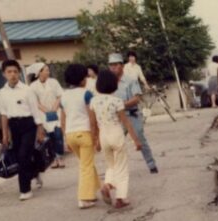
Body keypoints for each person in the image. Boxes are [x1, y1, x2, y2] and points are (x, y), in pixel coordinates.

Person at [90, 69, 142, 209]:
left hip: (104, 136)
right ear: (114, 84)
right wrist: (136, 140)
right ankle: (121, 198)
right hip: (116, 134)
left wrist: (96, 141)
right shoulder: (117, 101)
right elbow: (126, 122)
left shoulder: (93, 101)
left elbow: (93, 124)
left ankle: (107, 184)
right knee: (122, 167)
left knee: (111, 165)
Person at [0, 59, 46, 201]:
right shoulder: (2, 92)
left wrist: (40, 129)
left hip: (28, 124)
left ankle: (25, 190)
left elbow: (35, 110)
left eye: (15, 71)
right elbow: (4, 114)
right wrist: (5, 135)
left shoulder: (27, 90)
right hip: (14, 125)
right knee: (20, 156)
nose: (12, 75)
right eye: (9, 72)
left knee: (23, 156)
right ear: (4, 74)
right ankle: (35, 171)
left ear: (19, 73)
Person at [108, 53, 158, 174]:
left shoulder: (131, 80)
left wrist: (121, 105)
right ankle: (115, 169)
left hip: (132, 114)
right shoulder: (109, 82)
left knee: (140, 138)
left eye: (115, 65)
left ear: (121, 65)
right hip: (117, 117)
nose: (113, 68)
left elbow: (137, 98)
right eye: (111, 65)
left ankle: (151, 164)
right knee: (115, 142)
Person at [60, 64, 100, 209]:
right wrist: (96, 137)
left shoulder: (63, 96)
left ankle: (95, 189)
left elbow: (62, 120)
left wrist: (65, 139)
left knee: (86, 163)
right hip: (84, 133)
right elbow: (92, 118)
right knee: (86, 166)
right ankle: (84, 198)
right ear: (82, 79)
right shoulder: (87, 94)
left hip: (70, 134)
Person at [30, 63, 66, 168]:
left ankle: (60, 157)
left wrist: (54, 109)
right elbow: (35, 102)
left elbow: (60, 96)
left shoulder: (53, 82)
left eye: (48, 70)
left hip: (56, 111)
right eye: (45, 70)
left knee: (58, 135)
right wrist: (46, 111)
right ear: (39, 72)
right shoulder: (33, 86)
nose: (48, 72)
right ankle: (53, 159)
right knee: (49, 138)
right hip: (43, 114)